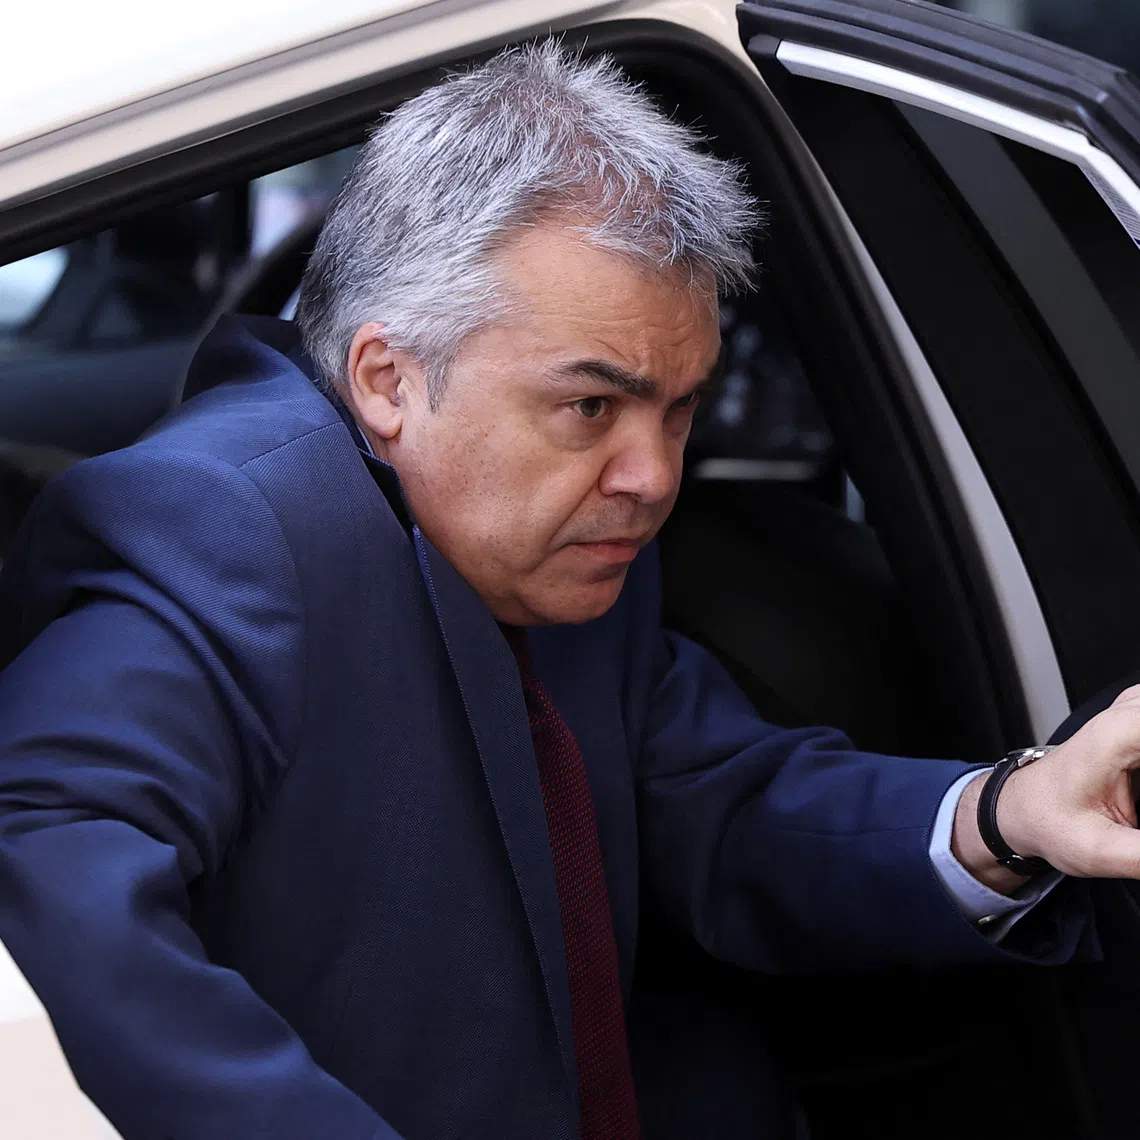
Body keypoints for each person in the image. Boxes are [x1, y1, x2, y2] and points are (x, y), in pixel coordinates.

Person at [0, 41, 1138, 1140]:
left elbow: (714, 801)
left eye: (680, 409)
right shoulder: (219, 525)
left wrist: (1011, 815)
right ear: (387, 379)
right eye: (591, 407)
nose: (652, 480)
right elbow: (40, 852)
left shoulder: (552, 549)